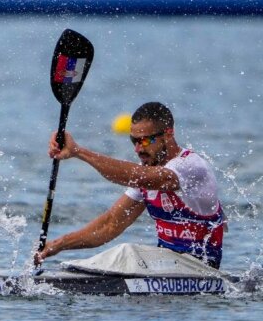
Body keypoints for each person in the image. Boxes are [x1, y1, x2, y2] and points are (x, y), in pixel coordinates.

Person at [36, 101, 225, 268]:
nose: (137, 149)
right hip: (167, 265)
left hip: (201, 267)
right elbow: (109, 225)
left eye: (144, 140)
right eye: (133, 141)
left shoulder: (190, 166)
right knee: (124, 254)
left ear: (168, 134)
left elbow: (139, 177)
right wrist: (58, 245)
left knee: (127, 252)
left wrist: (78, 152)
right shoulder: (147, 172)